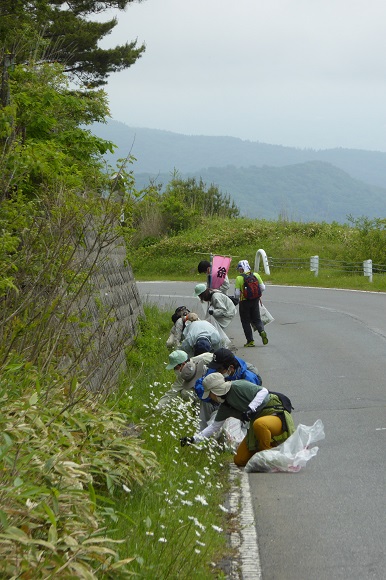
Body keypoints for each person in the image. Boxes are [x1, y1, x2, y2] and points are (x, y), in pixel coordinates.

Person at [180, 373, 295, 467]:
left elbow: (263, 391)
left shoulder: (237, 386)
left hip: (274, 414)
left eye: (209, 394)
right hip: (257, 423)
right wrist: (193, 439)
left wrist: (251, 408)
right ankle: (274, 448)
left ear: (214, 391)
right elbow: (214, 427)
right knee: (239, 460)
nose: (210, 397)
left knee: (259, 424)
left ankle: (270, 459)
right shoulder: (224, 407)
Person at [234, 260, 268, 347]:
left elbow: (237, 294)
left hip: (244, 302)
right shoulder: (256, 275)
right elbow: (263, 288)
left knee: (245, 321)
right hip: (255, 300)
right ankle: (262, 331)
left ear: (241, 269)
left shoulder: (239, 278)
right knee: (257, 319)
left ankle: (250, 341)